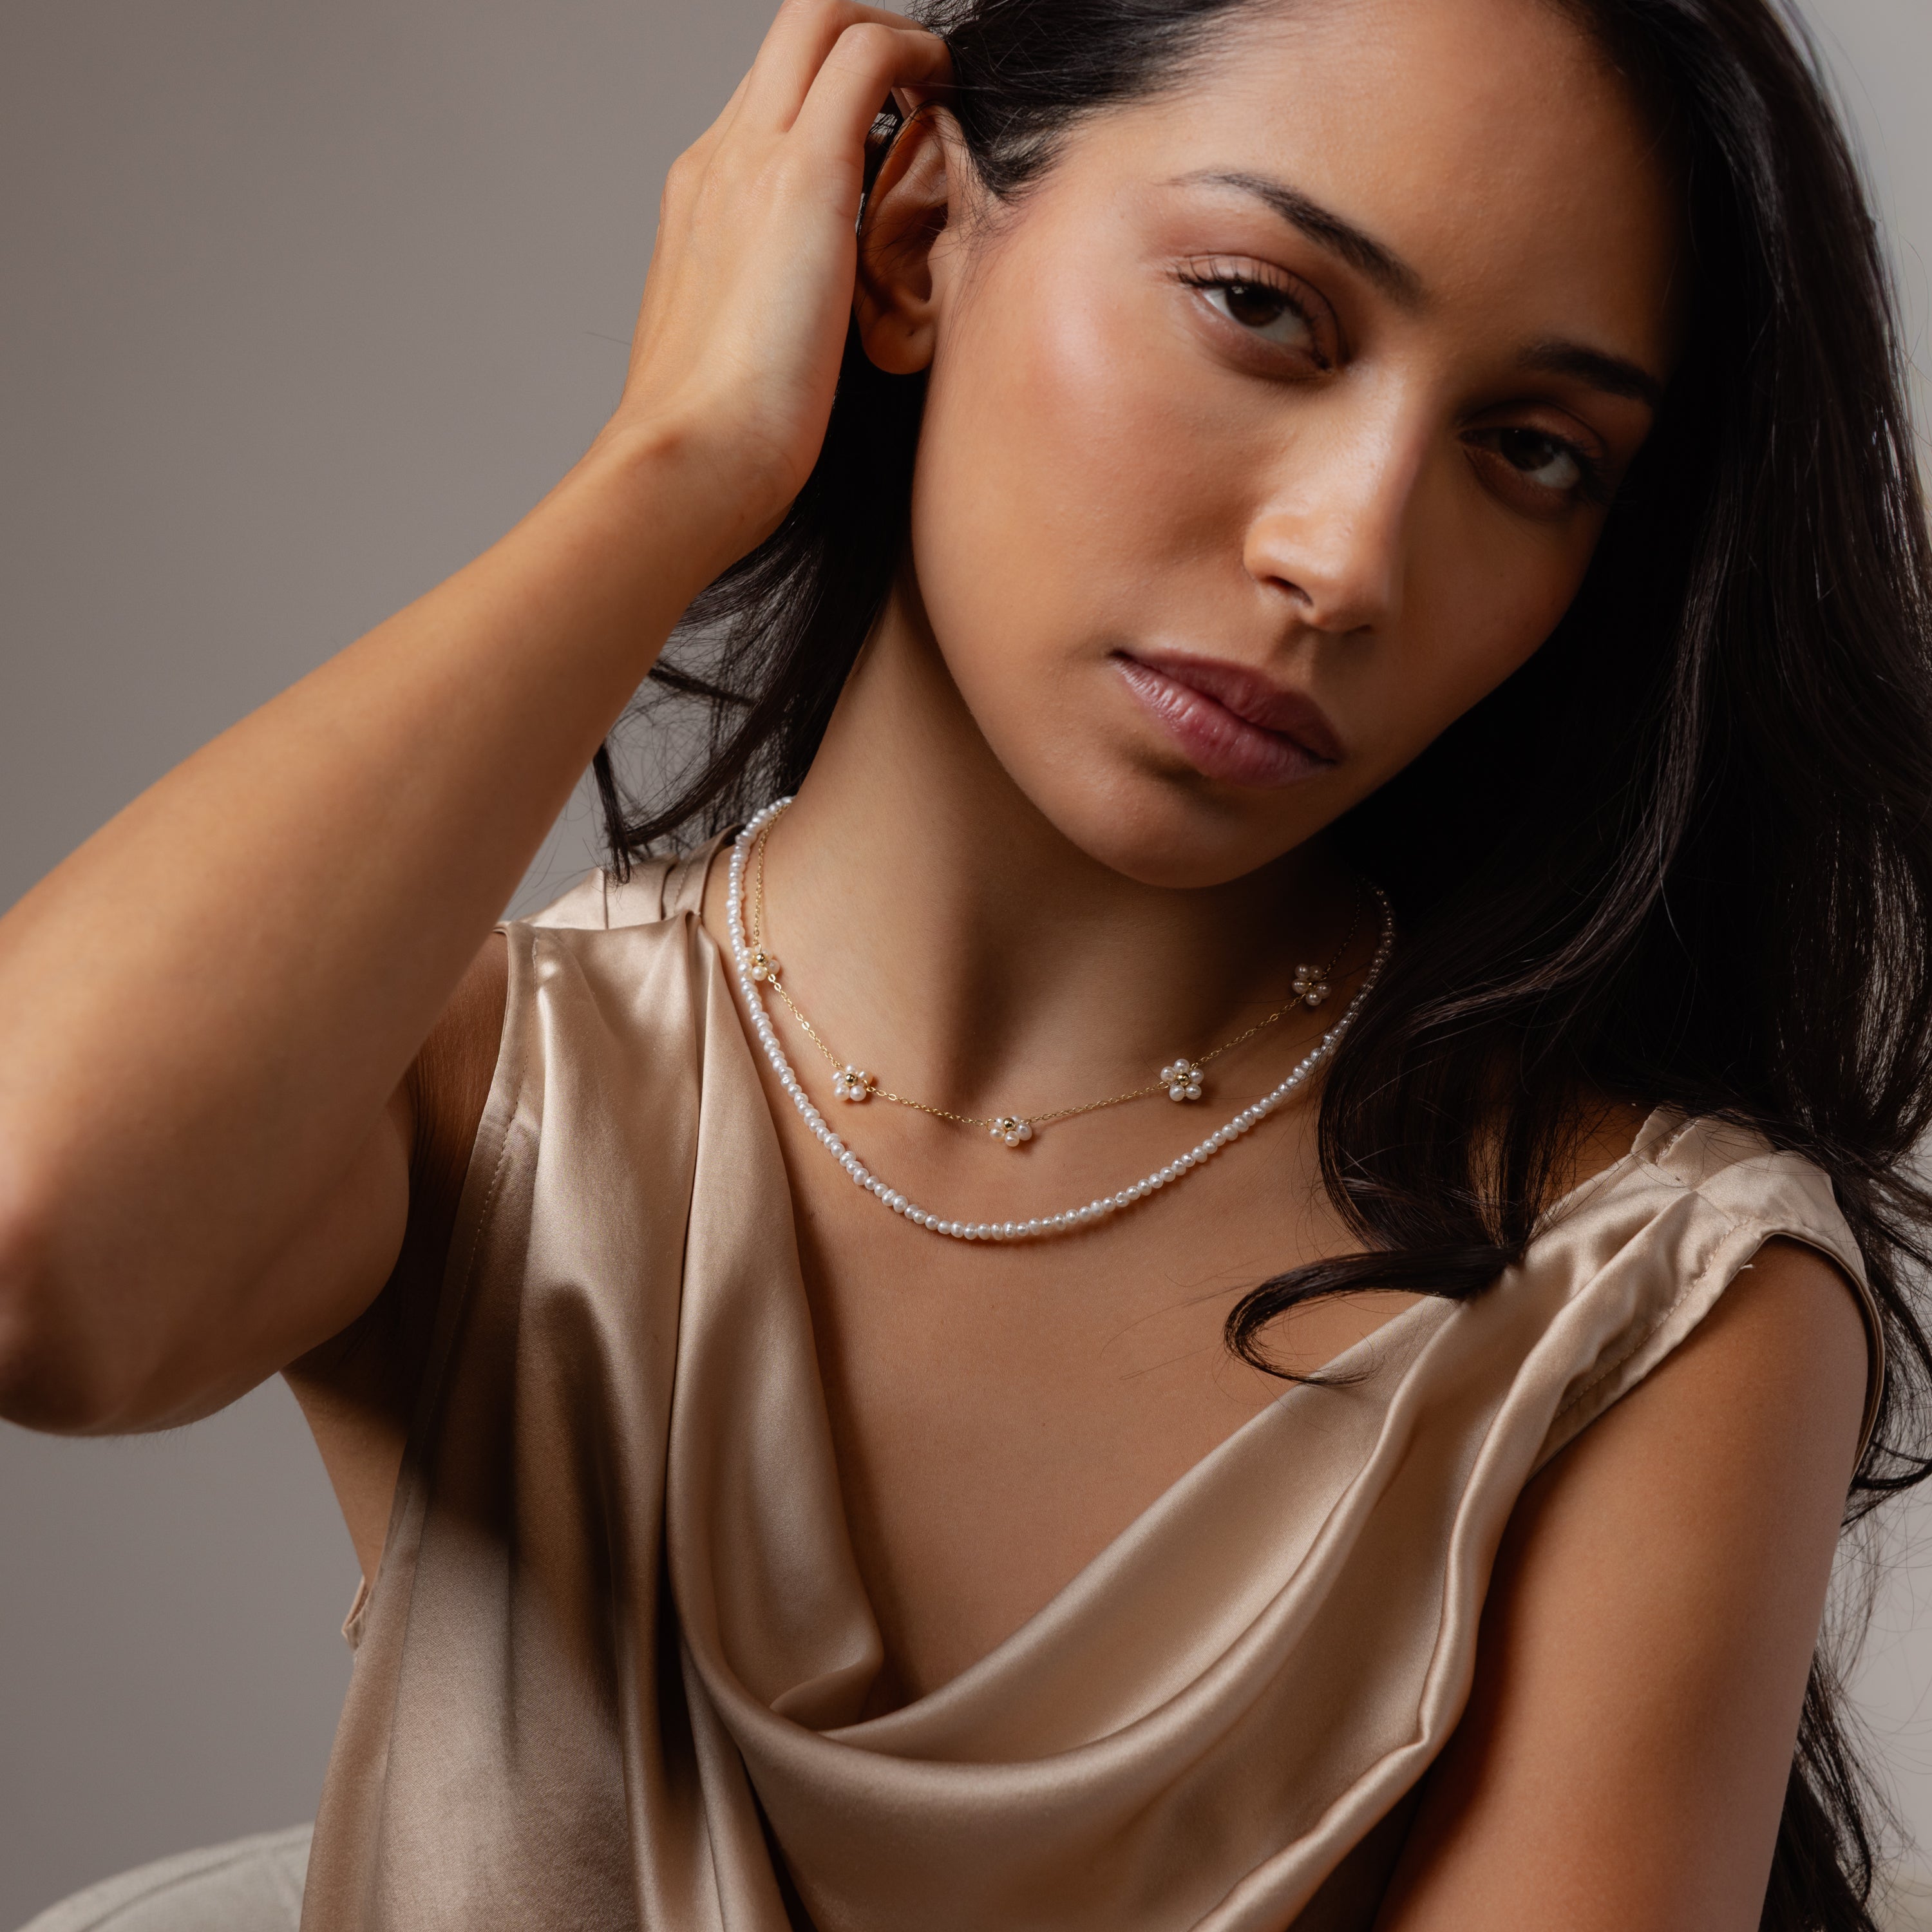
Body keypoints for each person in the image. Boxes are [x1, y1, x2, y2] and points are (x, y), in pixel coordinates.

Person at [3, 0, 1930, 1924]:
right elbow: (34, 1241)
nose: (1348, 557)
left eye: (1531, 450)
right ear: (919, 237)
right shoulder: (489, 1102)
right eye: (1265, 307)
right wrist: (676, 460)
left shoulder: (1641, 1293)